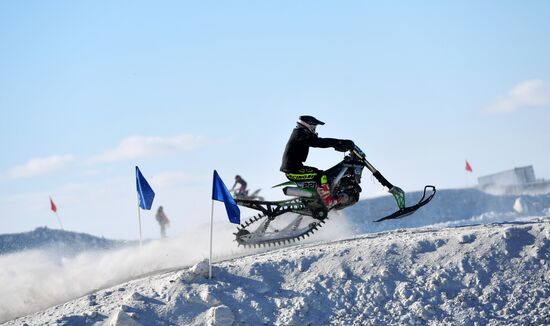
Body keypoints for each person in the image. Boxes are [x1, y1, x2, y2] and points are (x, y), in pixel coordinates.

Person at [280, 115, 355, 207]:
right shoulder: (300, 134)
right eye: (314, 126)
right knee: (322, 176)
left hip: (295, 168)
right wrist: (338, 142)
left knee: (322, 175)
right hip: (293, 171)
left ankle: (318, 199)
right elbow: (319, 142)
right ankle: (328, 200)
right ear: (308, 125)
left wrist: (337, 143)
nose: (314, 129)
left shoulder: (300, 134)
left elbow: (316, 141)